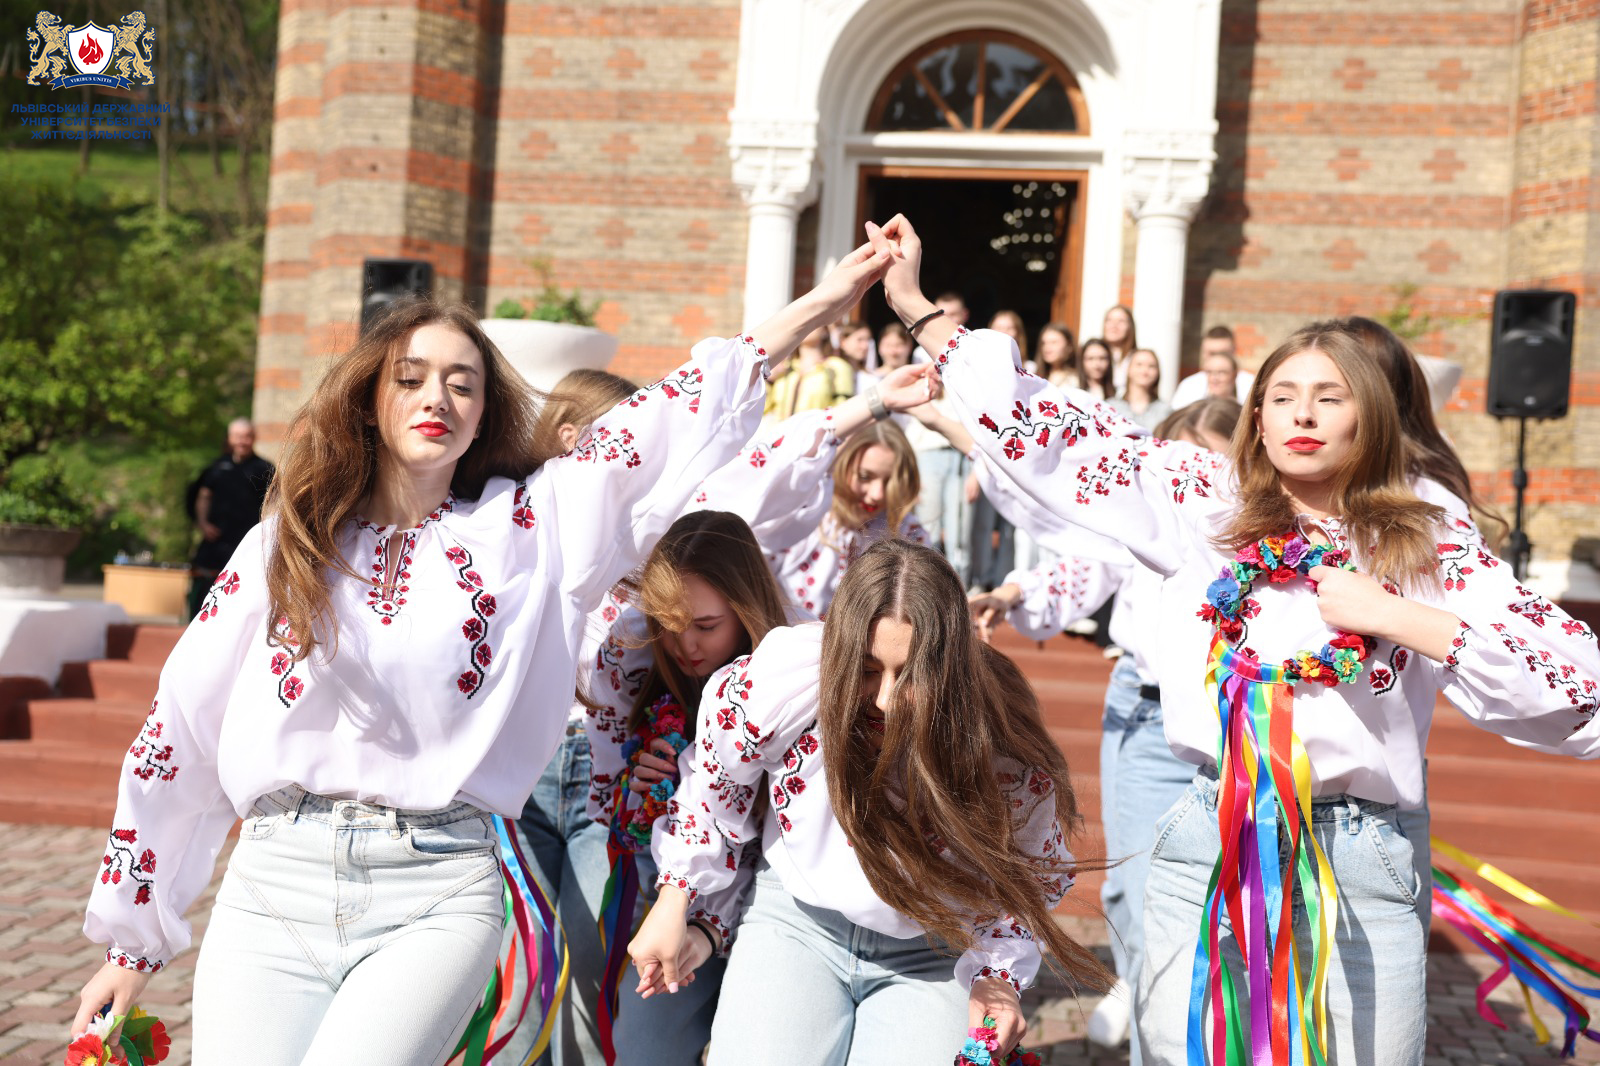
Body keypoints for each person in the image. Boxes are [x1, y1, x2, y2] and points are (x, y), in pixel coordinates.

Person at [71, 238, 901, 1062]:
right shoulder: (287, 544)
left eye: (462, 383)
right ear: (369, 399)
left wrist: (826, 298)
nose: (438, 396)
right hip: (272, 881)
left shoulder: (531, 531)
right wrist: (131, 942)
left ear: (483, 415)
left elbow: (669, 413)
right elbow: (180, 727)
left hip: (434, 887)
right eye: (411, 378)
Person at [870, 211, 1600, 1066]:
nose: (1303, 414)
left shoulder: (1425, 533)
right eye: (1282, 397)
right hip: (1211, 836)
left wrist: (1395, 614)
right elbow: (1067, 436)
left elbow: (1577, 688)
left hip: (1358, 852)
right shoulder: (1203, 503)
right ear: (1256, 420)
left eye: (1329, 397)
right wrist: (917, 305)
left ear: (1369, 418)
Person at [630, 539, 1113, 1065]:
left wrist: (997, 978)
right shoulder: (785, 680)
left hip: (934, 950)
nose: (885, 699)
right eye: (865, 669)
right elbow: (716, 783)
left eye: (912, 674)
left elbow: (1025, 878)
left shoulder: (997, 744)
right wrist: (675, 898)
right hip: (797, 922)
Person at [967, 399, 1240, 1064]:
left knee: (1193, 909)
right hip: (1142, 713)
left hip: (1231, 721)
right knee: (1131, 893)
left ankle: (1175, 1030)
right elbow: (1084, 565)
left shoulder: (1255, 536)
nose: (1189, 478)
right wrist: (1009, 595)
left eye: (1205, 461)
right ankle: (1142, 1004)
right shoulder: (1148, 519)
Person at [503, 367, 640, 1066]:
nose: (636, 456)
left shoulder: (648, 536)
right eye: (623, 439)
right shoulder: (512, 524)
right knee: (517, 971)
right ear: (568, 437)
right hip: (522, 771)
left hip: (605, 777)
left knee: (593, 965)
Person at [904, 292, 975, 584]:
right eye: (943, 313)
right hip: (928, 450)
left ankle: (962, 589)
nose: (949, 319)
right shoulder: (921, 351)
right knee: (928, 524)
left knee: (961, 528)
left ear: (964, 316)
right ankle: (927, 589)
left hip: (962, 450)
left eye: (954, 314)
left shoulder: (973, 351)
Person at [187, 418, 275, 617]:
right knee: (203, 587)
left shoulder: (265, 469)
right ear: (229, 438)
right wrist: (203, 523)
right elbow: (203, 496)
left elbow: (275, 502)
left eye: (246, 436)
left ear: (253, 438)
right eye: (237, 436)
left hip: (249, 542)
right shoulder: (216, 467)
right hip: (216, 541)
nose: (242, 441)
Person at [764, 325, 856, 422]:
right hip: (779, 430)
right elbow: (763, 409)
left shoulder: (838, 367)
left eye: (814, 323)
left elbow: (842, 411)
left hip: (816, 430)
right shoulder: (785, 367)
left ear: (825, 331)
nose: (805, 326)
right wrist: (769, 380)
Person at [1169, 325, 1254, 409]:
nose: (1217, 360)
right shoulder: (1189, 385)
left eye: (1223, 353)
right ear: (1203, 353)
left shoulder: (1250, 384)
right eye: (1212, 354)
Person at [1110, 348, 1171, 431]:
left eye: (1151, 366)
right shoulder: (1111, 407)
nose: (1144, 371)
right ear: (1128, 369)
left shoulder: (1165, 411)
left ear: (1158, 372)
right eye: (1139, 364)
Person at [1102, 304, 1137, 390]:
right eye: (1109, 320)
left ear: (1130, 326)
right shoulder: (1091, 354)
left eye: (1121, 321)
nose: (1114, 325)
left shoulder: (1136, 358)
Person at [1032, 322, 1076, 386]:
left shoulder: (1076, 379)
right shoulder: (1034, 375)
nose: (1047, 347)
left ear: (1069, 346)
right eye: (1044, 343)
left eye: (1054, 342)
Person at [1077, 337, 1114, 401]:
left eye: (1102, 358)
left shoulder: (1118, 394)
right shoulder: (1073, 391)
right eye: (1090, 358)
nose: (1097, 364)